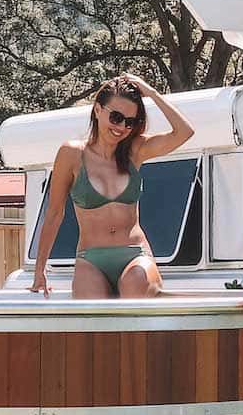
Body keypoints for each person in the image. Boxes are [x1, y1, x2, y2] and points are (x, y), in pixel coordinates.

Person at [28, 74, 194, 297]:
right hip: (91, 258)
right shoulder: (72, 154)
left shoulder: (136, 150)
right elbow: (55, 213)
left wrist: (152, 93)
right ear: (97, 110)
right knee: (94, 319)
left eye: (130, 121)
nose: (122, 127)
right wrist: (39, 270)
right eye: (116, 117)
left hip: (135, 253)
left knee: (135, 289)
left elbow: (184, 132)